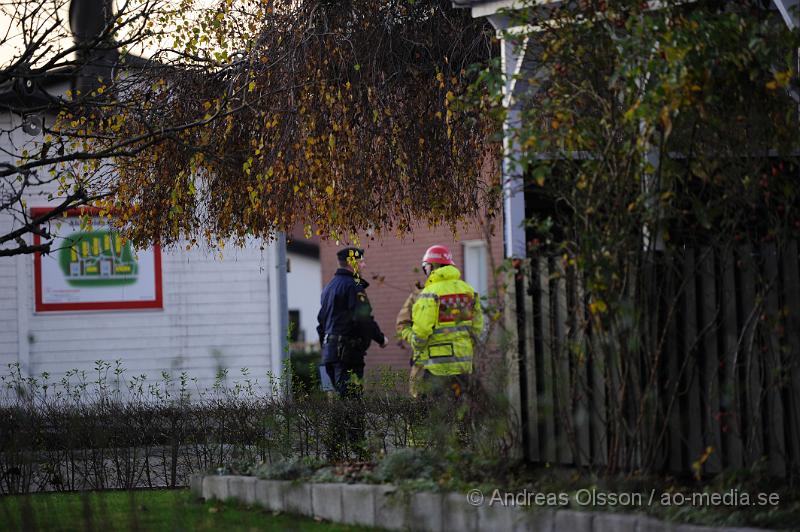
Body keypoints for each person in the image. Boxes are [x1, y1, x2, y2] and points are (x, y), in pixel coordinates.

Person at [410, 244, 483, 398]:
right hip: (463, 365)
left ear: (433, 266)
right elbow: (477, 328)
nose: (426, 271)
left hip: (437, 367)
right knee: (461, 412)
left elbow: (422, 331)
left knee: (435, 415)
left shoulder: (430, 293)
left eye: (426, 267)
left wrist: (416, 346)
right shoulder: (468, 291)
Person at [317, 246, 387, 398]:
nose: (364, 265)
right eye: (361, 261)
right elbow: (363, 318)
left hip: (328, 356)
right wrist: (377, 339)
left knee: (335, 406)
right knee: (351, 405)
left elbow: (321, 323)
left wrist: (325, 348)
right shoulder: (353, 285)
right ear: (351, 263)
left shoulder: (329, 287)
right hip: (347, 355)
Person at [395, 282, 423, 397]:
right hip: (424, 363)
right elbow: (402, 324)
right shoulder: (419, 295)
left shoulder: (458, 292)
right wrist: (414, 339)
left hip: (456, 364)